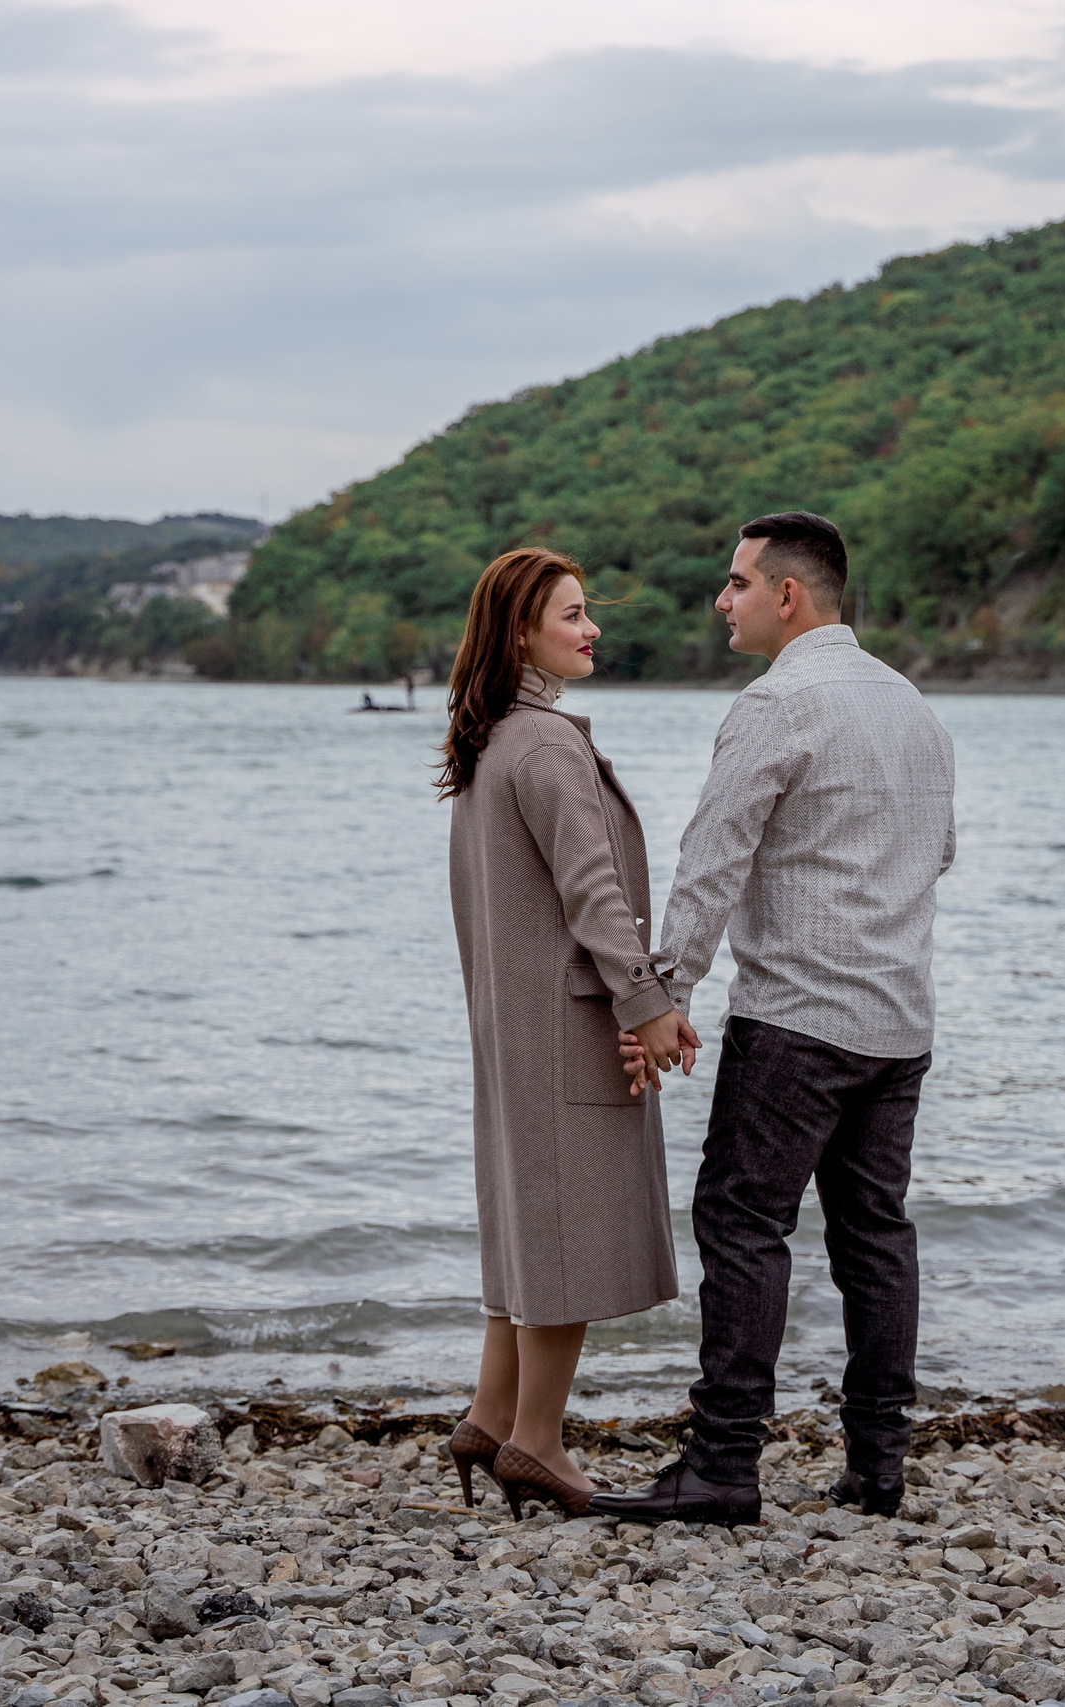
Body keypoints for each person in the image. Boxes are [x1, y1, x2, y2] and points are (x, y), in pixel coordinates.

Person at [591, 511, 955, 1529]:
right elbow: (939, 853)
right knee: (874, 1237)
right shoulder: (911, 705)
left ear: (787, 595)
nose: (723, 599)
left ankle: (721, 1466)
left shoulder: (777, 704)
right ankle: (878, 1465)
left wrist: (662, 995)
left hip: (797, 1016)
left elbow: (713, 860)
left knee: (742, 1225)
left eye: (737, 582)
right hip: (897, 1020)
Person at [437, 546, 700, 1520]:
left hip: (512, 1029)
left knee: (528, 1220)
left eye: (588, 613)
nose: (592, 630)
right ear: (519, 634)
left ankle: (491, 1416)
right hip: (563, 1024)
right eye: (572, 615)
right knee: (564, 1235)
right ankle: (537, 1445)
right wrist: (650, 1006)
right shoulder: (545, 747)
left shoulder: (493, 740)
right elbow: (594, 896)